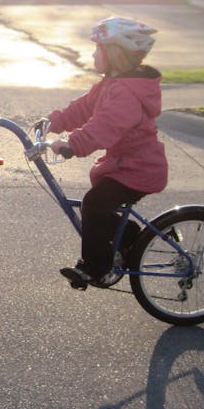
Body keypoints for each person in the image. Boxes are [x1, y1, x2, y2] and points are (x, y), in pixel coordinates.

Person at [38, 16, 168, 290]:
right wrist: (55, 121)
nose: (94, 54)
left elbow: (104, 127)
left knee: (94, 203)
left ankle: (95, 267)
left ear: (115, 53)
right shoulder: (112, 83)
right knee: (99, 204)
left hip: (139, 170)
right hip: (125, 165)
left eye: (99, 49)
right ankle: (130, 235)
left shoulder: (127, 93)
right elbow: (84, 108)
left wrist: (73, 144)